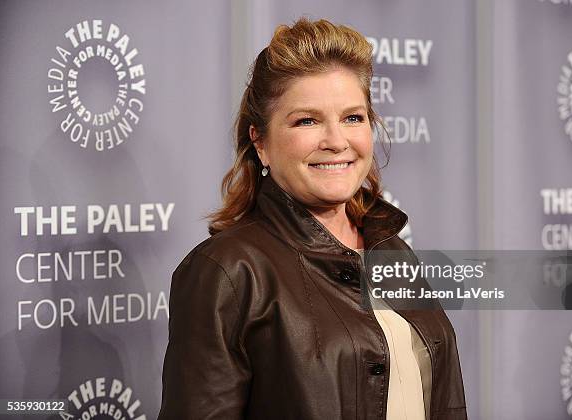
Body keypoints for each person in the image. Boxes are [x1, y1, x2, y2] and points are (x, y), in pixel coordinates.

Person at [158, 17, 467, 420]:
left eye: (353, 118)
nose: (337, 141)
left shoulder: (393, 251)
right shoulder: (227, 273)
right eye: (307, 120)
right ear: (261, 143)